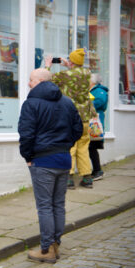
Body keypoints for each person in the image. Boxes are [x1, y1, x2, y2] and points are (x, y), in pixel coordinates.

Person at [18, 68, 83, 263]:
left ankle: (47, 250)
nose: (28, 83)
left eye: (30, 80)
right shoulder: (67, 102)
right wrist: (65, 146)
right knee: (58, 204)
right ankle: (56, 243)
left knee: (45, 205)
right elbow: (77, 129)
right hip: (63, 159)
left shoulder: (31, 103)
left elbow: (26, 134)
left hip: (42, 161)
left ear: (39, 81)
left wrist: (28, 156)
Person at [45, 48, 96, 188]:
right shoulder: (87, 73)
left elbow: (47, 79)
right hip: (85, 117)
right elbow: (77, 73)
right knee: (83, 147)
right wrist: (70, 65)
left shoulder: (65, 75)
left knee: (70, 147)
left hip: (70, 117)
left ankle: (68, 178)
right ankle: (87, 178)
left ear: (72, 62)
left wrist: (48, 65)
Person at [89, 73, 108, 180]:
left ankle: (98, 171)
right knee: (90, 148)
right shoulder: (94, 91)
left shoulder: (99, 91)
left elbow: (99, 103)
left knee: (91, 148)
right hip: (92, 123)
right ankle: (96, 170)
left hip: (94, 124)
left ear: (92, 82)